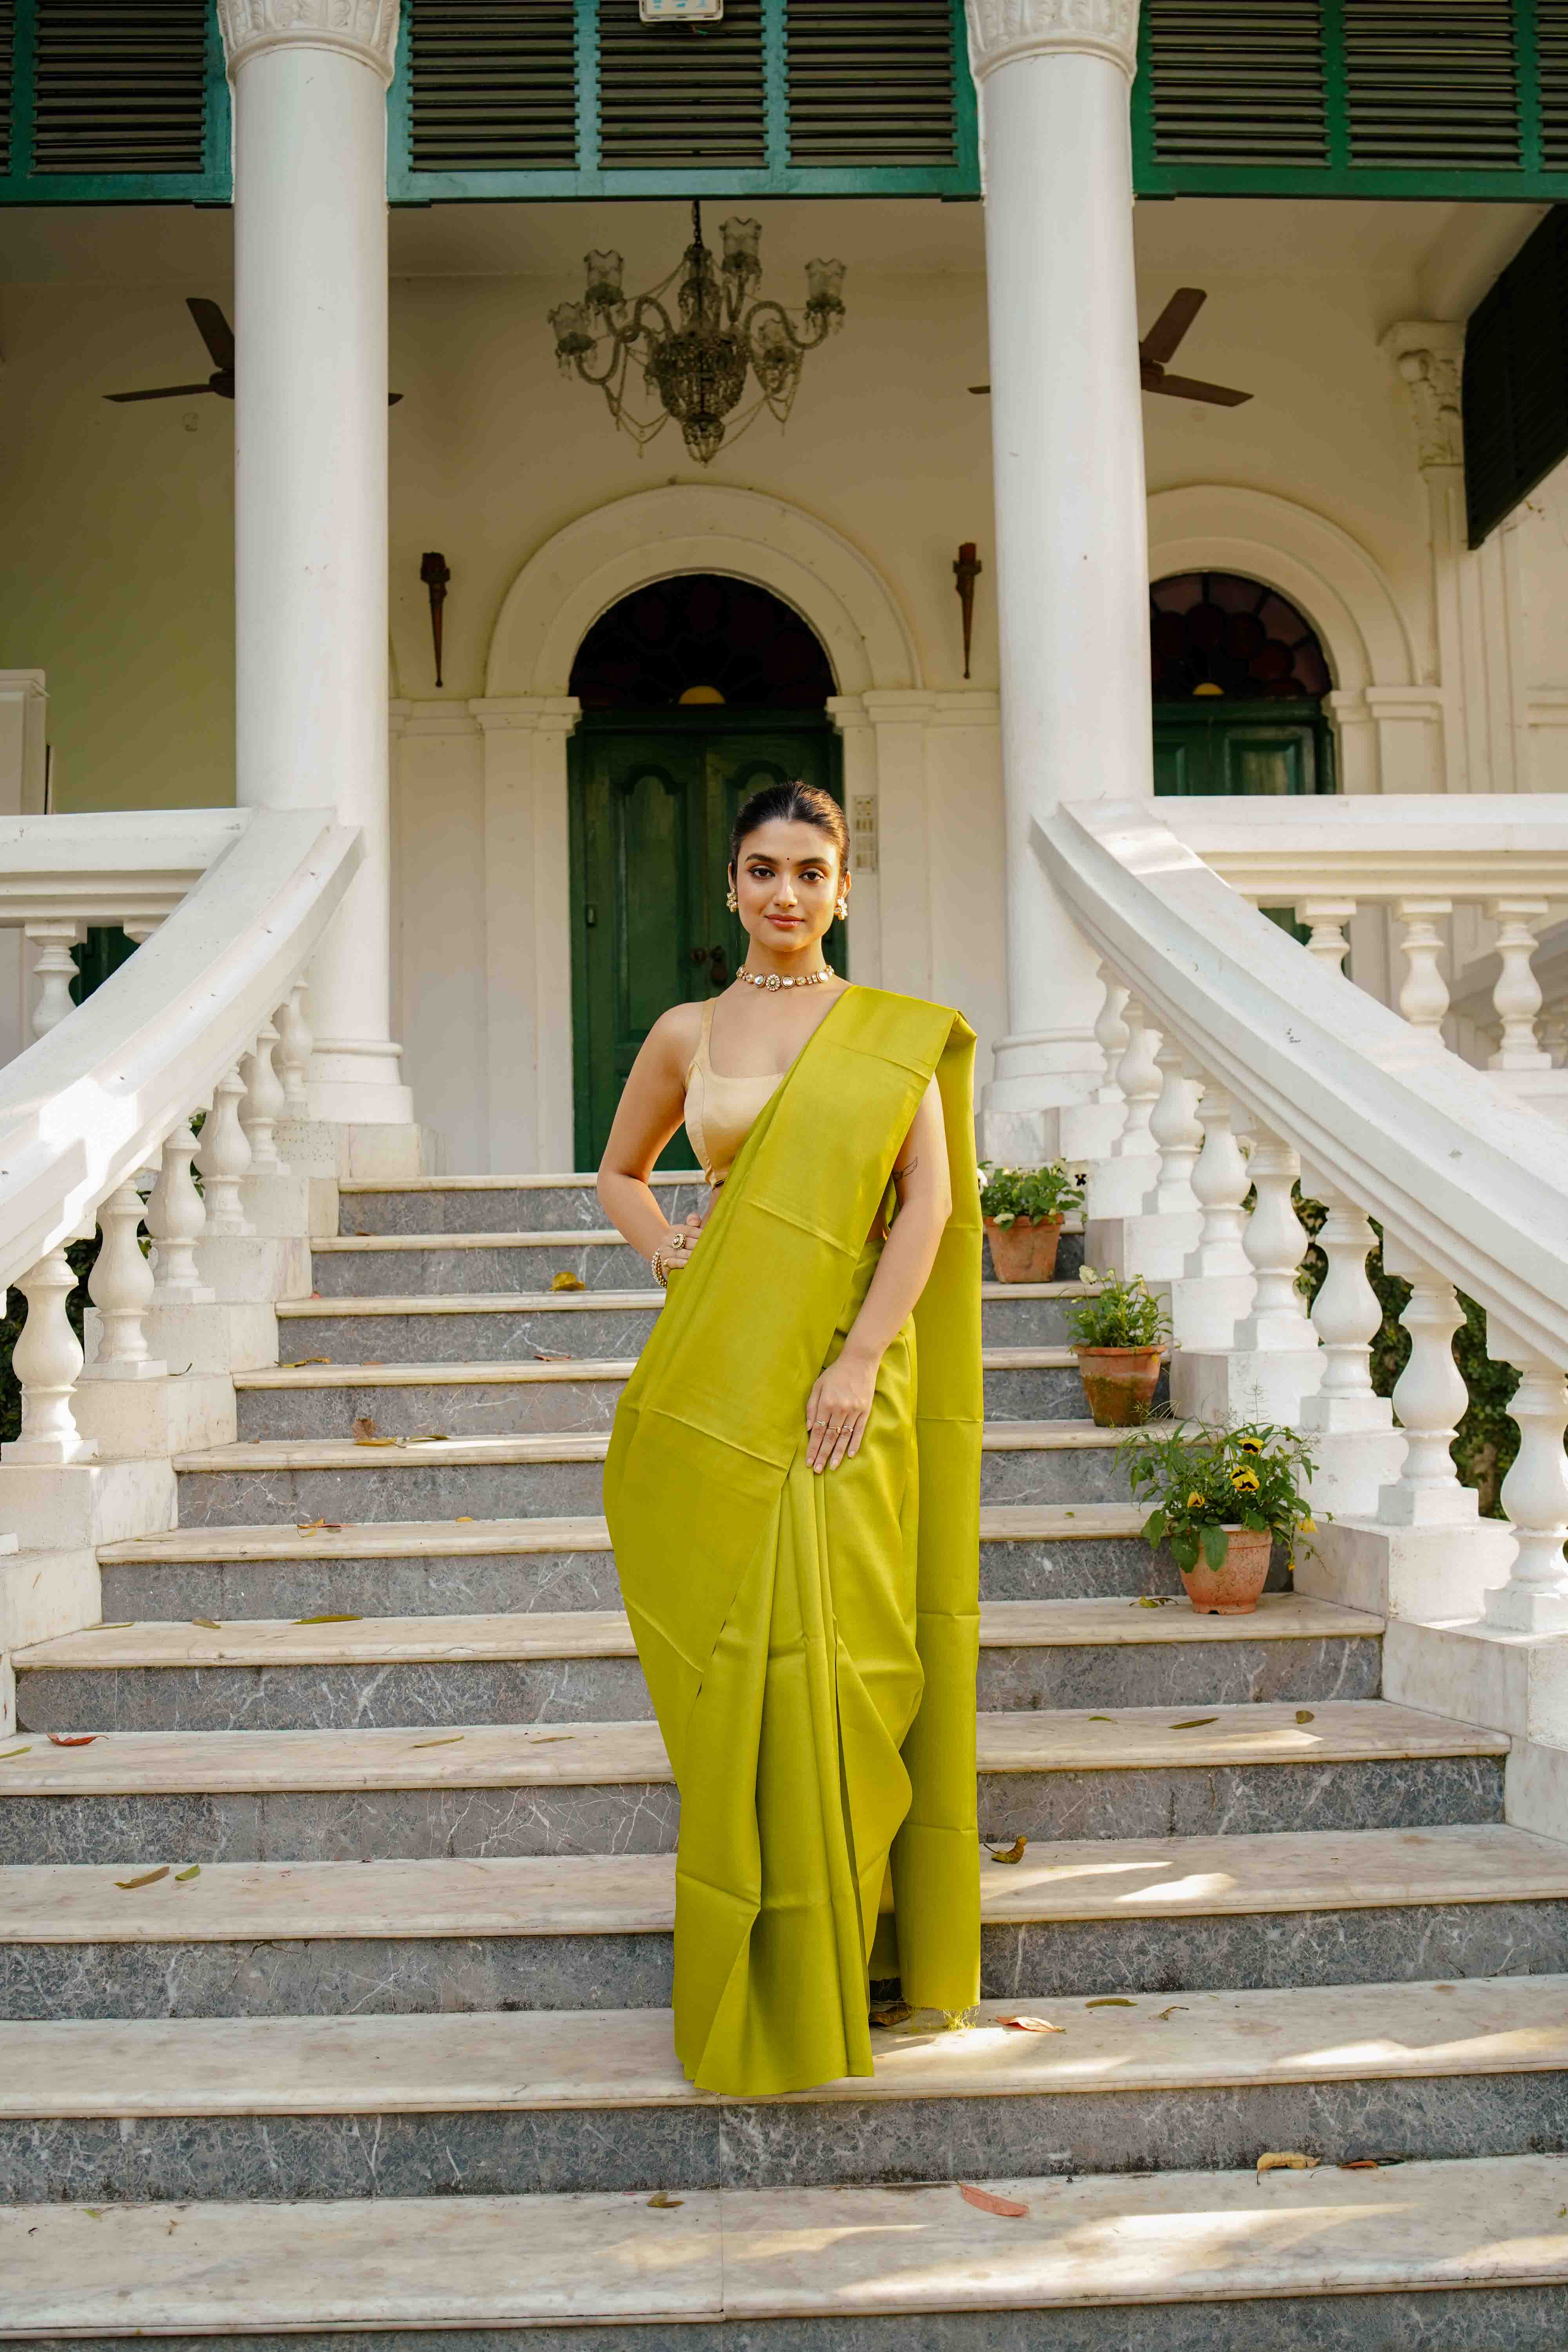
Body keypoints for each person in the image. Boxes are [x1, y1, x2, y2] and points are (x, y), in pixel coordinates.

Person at [597, 779, 982, 2096]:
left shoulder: (887, 1039)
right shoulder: (686, 1031)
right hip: (724, 1372)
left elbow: (926, 1208)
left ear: (846, 887)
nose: (785, 895)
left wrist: (861, 1359)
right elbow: (620, 1174)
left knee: (851, 1668)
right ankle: (758, 1952)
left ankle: (851, 1957)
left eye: (810, 872)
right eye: (762, 870)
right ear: (731, 886)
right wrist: (671, 1254)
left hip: (837, 1390)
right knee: (743, 1663)